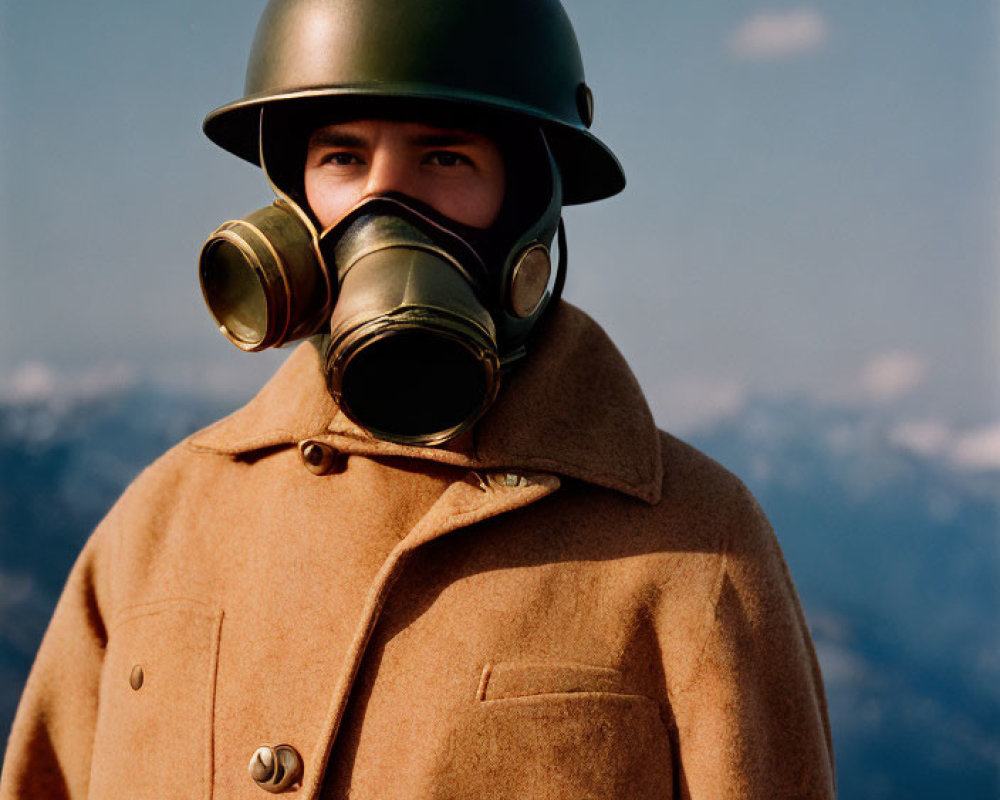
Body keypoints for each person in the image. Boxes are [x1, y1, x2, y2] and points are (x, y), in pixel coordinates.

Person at [0, 0, 836, 797]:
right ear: (290, 207)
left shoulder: (697, 545)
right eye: (342, 158)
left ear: (528, 212)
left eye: (445, 158)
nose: (381, 206)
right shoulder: (158, 527)